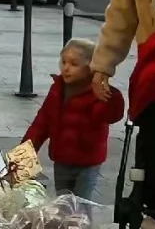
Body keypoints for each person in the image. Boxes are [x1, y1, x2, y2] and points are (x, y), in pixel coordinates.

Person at [24, 38, 125, 200]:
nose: (66, 68)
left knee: (81, 206)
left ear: (91, 67)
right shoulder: (57, 89)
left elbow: (112, 115)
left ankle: (84, 226)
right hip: (62, 158)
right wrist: (24, 153)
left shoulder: (97, 93)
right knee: (63, 203)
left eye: (74, 64)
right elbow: (41, 123)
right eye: (63, 62)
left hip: (87, 162)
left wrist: (108, 92)